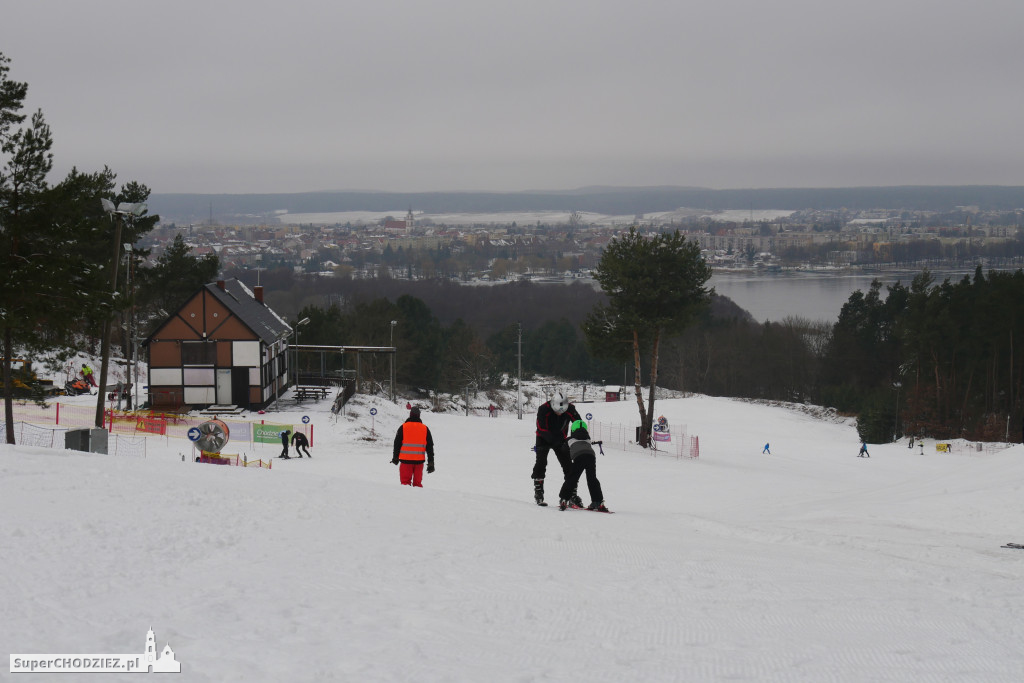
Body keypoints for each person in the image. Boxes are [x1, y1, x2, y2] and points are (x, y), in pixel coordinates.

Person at [532, 391, 583, 507]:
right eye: (557, 412)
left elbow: (578, 423)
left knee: (568, 465)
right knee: (541, 463)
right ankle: (539, 492)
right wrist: (555, 440)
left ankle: (571, 495)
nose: (560, 414)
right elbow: (541, 428)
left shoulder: (570, 409)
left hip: (561, 439)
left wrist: (580, 435)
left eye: (562, 412)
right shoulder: (543, 409)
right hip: (543, 437)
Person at [558, 420, 609, 512]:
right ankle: (598, 501)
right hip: (591, 456)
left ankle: (564, 499)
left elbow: (563, 450)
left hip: (579, 457)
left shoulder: (569, 439)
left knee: (572, 478)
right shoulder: (587, 439)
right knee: (592, 478)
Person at [391, 406, 435, 487]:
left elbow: (397, 444)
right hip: (419, 462)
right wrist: (431, 463)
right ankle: (417, 499)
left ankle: (405, 499)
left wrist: (395, 457)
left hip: (405, 461)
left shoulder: (403, 427)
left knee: (405, 484)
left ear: (410, 414)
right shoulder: (425, 428)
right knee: (417, 485)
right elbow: (430, 447)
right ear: (419, 415)